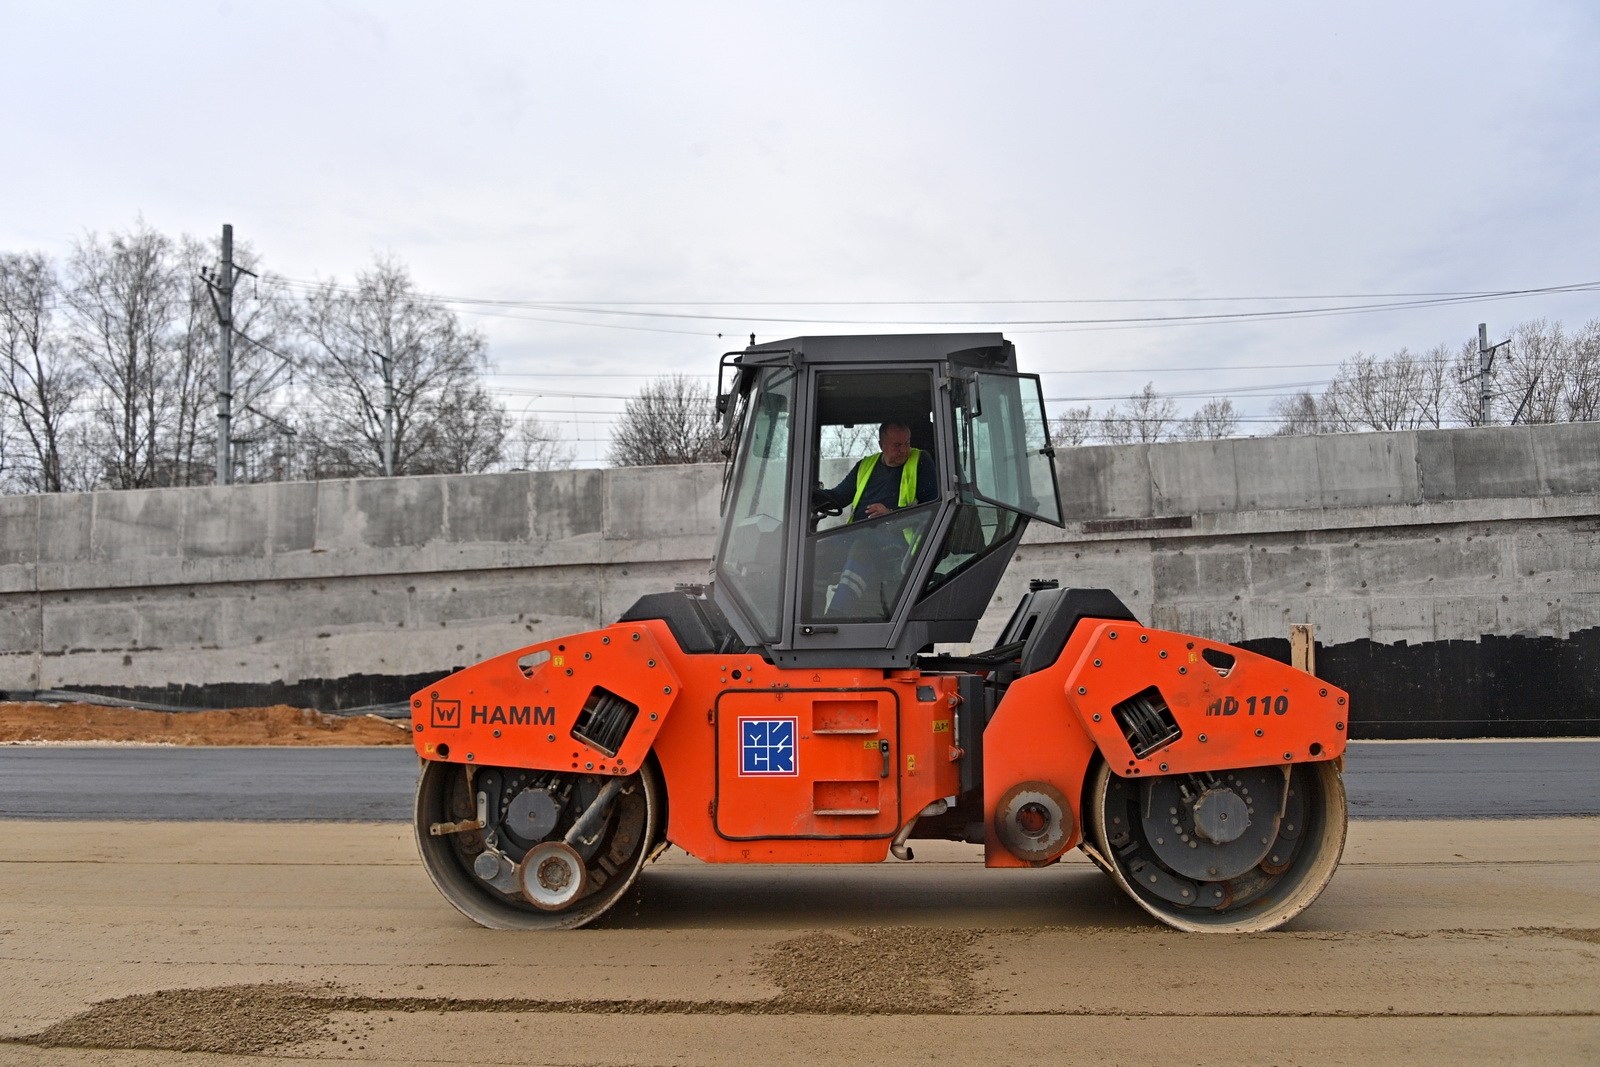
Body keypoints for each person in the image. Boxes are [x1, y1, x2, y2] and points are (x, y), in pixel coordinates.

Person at [811, 421, 937, 616]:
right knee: (819, 551)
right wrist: (810, 495)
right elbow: (838, 497)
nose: (904, 450)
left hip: (899, 541)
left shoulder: (921, 461)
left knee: (863, 548)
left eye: (907, 443)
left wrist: (891, 512)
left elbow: (933, 506)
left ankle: (836, 615)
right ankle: (814, 616)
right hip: (857, 534)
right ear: (881, 445)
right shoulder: (866, 465)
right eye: (897, 445)